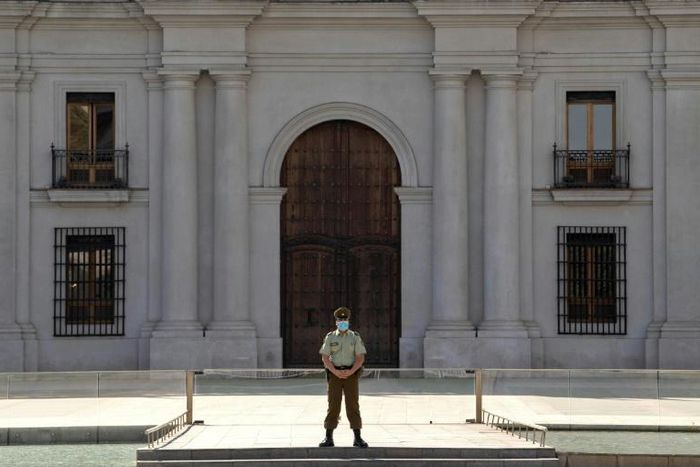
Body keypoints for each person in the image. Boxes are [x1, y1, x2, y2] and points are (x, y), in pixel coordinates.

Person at [318, 306, 368, 448]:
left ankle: (357, 438)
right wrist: (334, 371)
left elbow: (360, 357)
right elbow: (325, 357)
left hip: (351, 374)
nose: (342, 322)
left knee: (353, 405)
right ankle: (328, 437)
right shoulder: (330, 337)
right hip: (334, 375)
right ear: (336, 322)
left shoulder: (355, 337)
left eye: (344, 319)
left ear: (348, 320)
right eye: (340, 320)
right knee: (333, 405)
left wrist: (352, 371)